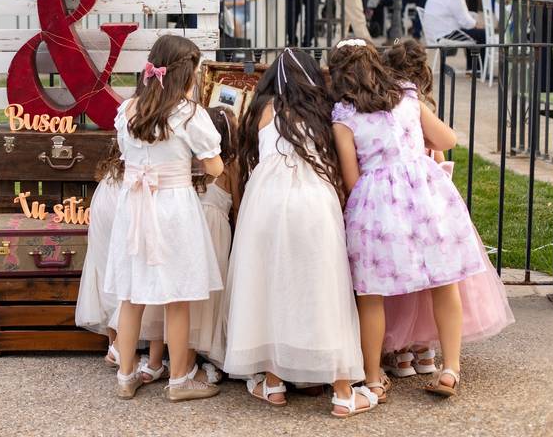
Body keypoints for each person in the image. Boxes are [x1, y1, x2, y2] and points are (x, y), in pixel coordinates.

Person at [220, 49, 374, 418]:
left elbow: (246, 160)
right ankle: (341, 391)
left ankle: (272, 382)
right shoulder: (325, 112)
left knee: (272, 286)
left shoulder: (260, 111)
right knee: (325, 288)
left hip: (266, 201)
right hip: (313, 200)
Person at [330, 40, 487, 401]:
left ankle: (372, 378)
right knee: (444, 282)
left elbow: (351, 178)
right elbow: (447, 138)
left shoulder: (344, 115)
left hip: (376, 202)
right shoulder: (406, 95)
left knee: (370, 295)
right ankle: (450, 369)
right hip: (425, 194)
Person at [379, 41, 514, 379]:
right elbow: (443, 149)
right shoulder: (416, 105)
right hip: (427, 204)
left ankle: (404, 352)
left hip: (394, 203)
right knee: (437, 277)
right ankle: (427, 352)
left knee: (405, 278)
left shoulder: (379, 105)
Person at [106, 35, 224, 402]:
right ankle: (179, 380)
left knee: (130, 295)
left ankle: (126, 375)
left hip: (134, 205)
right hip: (172, 208)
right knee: (177, 296)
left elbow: (128, 156)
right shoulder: (189, 114)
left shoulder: (128, 110)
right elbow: (215, 166)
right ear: (187, 74)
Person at [188, 106, 238, 377]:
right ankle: (209, 346)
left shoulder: (193, 166)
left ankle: (191, 347)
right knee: (214, 289)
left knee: (197, 290)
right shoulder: (230, 168)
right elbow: (238, 207)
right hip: (217, 232)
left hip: (195, 230)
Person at [76, 142, 124, 365]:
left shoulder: (107, 178)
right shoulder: (126, 180)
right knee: (123, 282)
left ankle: (114, 345)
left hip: (103, 226)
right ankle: (119, 348)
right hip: (118, 219)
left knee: (108, 281)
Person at [422, 0, 485, 74]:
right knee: (482, 34)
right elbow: (466, 22)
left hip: (433, 32)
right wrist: (477, 24)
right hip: (446, 33)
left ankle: (472, 69)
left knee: (473, 32)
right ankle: (477, 71)